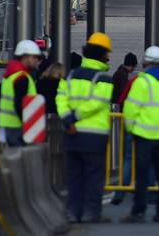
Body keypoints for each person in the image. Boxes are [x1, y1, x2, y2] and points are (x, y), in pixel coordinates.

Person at [56, 32, 115, 224]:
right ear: (102, 54)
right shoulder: (104, 77)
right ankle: (92, 213)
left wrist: (68, 119)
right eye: (107, 53)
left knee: (74, 177)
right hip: (94, 136)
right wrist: (76, 116)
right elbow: (98, 103)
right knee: (94, 177)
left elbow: (61, 97)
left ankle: (74, 212)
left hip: (72, 134)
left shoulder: (72, 74)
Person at [119, 46, 159, 223]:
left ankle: (139, 211)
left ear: (146, 63)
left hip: (144, 135)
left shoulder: (142, 82)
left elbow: (130, 109)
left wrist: (131, 129)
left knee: (142, 175)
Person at [0, 39, 43, 148]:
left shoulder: (10, 75)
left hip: (9, 125)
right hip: (19, 127)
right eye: (35, 57)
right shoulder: (21, 78)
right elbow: (20, 104)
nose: (37, 61)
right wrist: (30, 124)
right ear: (25, 57)